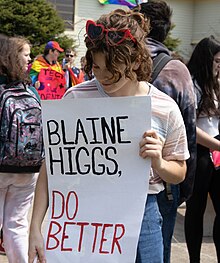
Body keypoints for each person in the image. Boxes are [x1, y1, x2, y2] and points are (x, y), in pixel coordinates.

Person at [28, 9, 189, 263]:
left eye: (111, 70)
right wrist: (36, 227)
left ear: (136, 61)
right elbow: (52, 167)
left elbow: (179, 171)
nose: (101, 77)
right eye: (96, 67)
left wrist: (158, 161)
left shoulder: (163, 107)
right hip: (84, 216)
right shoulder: (76, 98)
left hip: (143, 218)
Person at [135, 1, 197, 262]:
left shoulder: (112, 64)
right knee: (158, 252)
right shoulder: (176, 69)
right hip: (160, 180)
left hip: (112, 178)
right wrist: (186, 187)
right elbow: (189, 130)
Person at [0, 35, 43, 262]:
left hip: (1, 165)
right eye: (25, 54)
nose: (29, 58)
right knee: (17, 224)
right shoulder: (30, 90)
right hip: (29, 167)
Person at [184, 35, 220, 263]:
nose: (219, 67)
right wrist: (216, 144)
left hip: (217, 153)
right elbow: (189, 127)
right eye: (216, 61)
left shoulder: (216, 85)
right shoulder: (192, 85)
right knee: (195, 210)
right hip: (200, 156)